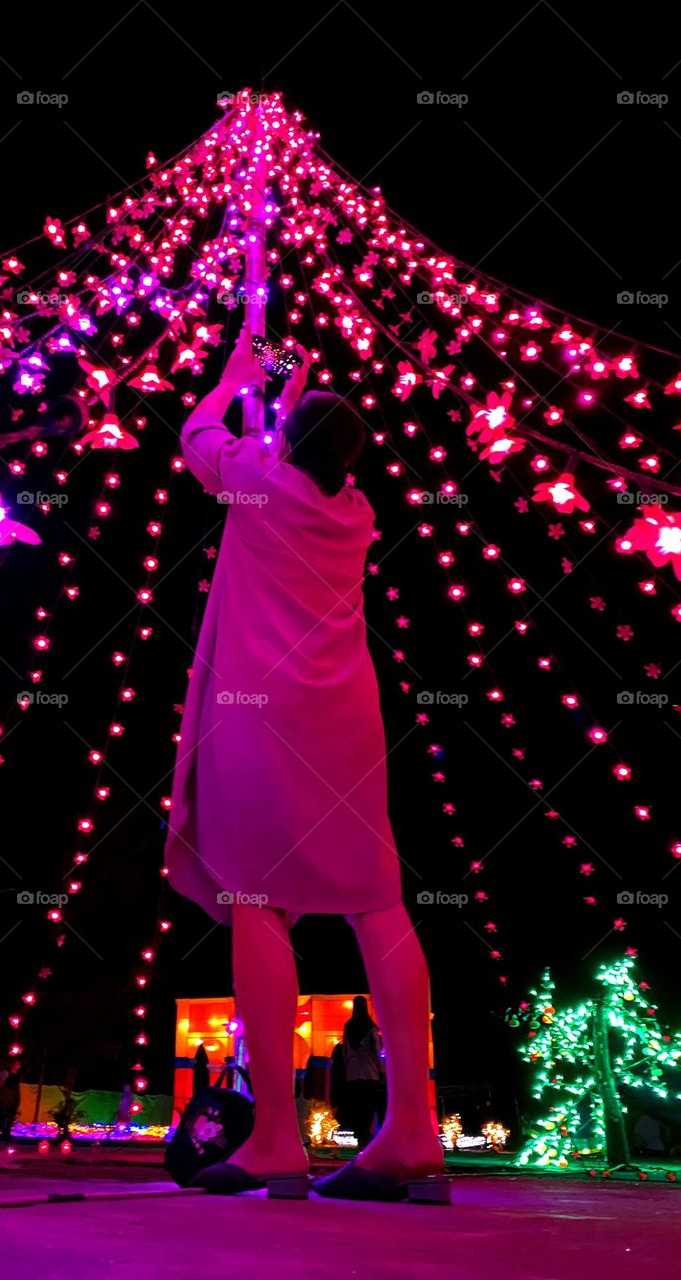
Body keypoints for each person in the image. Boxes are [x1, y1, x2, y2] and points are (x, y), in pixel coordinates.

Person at [165, 325, 445, 1201]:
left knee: (259, 897)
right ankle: (413, 1132)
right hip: (347, 721)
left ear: (285, 444)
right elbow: (295, 457)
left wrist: (235, 376)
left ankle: (278, 1141)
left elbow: (197, 437)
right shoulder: (352, 511)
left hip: (261, 717)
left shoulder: (254, 483)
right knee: (377, 900)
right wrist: (287, 408)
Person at [340, 997, 385, 1148]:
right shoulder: (371, 1027)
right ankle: (367, 1138)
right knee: (368, 1106)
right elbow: (377, 1052)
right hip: (369, 1072)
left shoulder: (348, 1026)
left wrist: (348, 1070)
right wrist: (381, 1070)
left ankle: (360, 1137)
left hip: (353, 1074)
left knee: (356, 1106)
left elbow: (345, 1051)